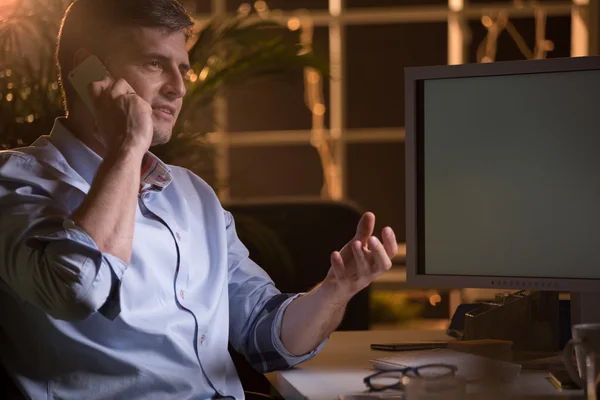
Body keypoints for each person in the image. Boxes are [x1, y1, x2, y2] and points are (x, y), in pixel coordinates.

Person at [0, 0, 398, 399]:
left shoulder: (192, 196)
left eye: (183, 69)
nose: (178, 87)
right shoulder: (15, 183)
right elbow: (80, 288)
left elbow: (266, 337)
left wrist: (336, 290)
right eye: (154, 64)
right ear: (89, 72)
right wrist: (127, 145)